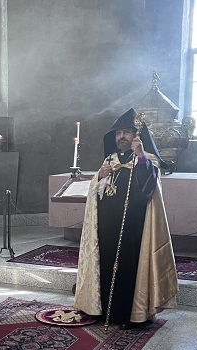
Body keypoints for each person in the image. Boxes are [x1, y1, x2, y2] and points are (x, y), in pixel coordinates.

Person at [74, 108, 178, 330]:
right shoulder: (109, 160)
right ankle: (104, 310)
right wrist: (98, 177)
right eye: (118, 133)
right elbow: (97, 190)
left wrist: (140, 155)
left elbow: (150, 187)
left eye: (127, 132)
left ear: (136, 135)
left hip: (135, 229)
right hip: (107, 228)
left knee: (130, 269)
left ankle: (133, 315)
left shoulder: (146, 159)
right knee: (106, 266)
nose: (121, 137)